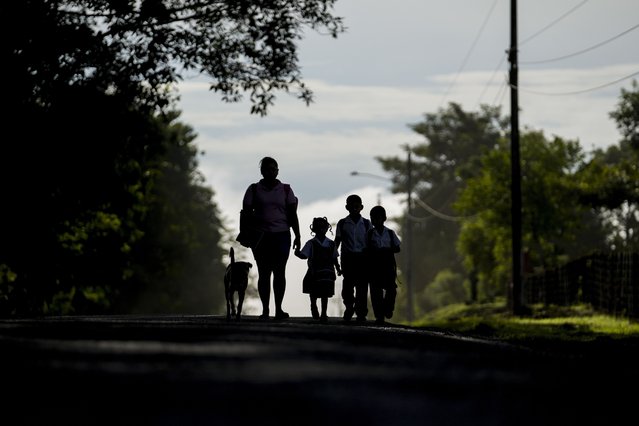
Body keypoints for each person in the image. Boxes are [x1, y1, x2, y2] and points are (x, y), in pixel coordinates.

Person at [240, 157, 301, 320]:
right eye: (267, 169)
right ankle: (266, 309)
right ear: (262, 171)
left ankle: (278, 309)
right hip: (261, 237)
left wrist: (298, 235)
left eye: (274, 169)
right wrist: (244, 234)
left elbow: (292, 214)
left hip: (282, 235)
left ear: (277, 171)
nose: (271, 172)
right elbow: (245, 213)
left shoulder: (286, 190)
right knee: (264, 272)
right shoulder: (253, 189)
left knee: (280, 272)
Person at [294, 217, 341, 322]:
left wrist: (338, 268)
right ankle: (314, 306)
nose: (321, 230)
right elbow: (304, 255)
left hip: (327, 272)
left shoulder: (331, 244)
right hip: (314, 271)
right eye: (319, 227)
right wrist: (298, 253)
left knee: (325, 293)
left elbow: (334, 258)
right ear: (314, 229)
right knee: (314, 291)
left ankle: (324, 313)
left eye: (323, 227)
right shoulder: (311, 243)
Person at [335, 194, 371, 322]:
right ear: (347, 207)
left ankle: (361, 312)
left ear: (361, 207)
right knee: (348, 285)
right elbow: (337, 242)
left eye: (357, 206)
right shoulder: (343, 223)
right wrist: (334, 259)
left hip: (363, 259)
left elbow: (370, 243)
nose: (354, 208)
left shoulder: (367, 224)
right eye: (352, 206)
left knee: (362, 286)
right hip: (348, 258)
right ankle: (349, 307)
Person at [366, 205, 401, 325]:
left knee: (391, 289)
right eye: (373, 218)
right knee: (376, 292)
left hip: (388, 265)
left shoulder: (390, 233)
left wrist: (387, 250)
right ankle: (379, 316)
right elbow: (365, 249)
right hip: (374, 266)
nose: (375, 221)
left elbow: (397, 248)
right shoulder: (369, 234)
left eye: (378, 218)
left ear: (384, 218)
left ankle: (388, 308)